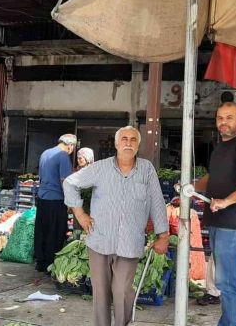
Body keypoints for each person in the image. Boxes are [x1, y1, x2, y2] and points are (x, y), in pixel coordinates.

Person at [64, 126, 169, 326]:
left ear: (138, 145)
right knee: (101, 292)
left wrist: (162, 235)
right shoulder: (100, 168)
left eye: (132, 140)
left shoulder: (147, 169)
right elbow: (69, 183)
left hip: (130, 242)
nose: (128, 143)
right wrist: (80, 213)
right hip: (100, 239)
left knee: (121, 290)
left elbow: (156, 201)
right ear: (116, 143)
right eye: (124, 139)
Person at [193, 101, 236, 326]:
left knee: (227, 282)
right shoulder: (220, 147)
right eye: (220, 118)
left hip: (232, 225)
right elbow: (212, 177)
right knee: (226, 280)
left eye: (229, 117)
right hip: (217, 223)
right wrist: (192, 186)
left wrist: (227, 201)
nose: (224, 122)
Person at [33, 133, 76, 273]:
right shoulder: (63, 156)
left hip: (42, 198)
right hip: (56, 200)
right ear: (70, 146)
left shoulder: (45, 153)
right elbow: (65, 181)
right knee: (55, 233)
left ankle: (40, 263)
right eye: (73, 148)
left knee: (42, 231)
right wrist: (70, 202)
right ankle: (50, 264)